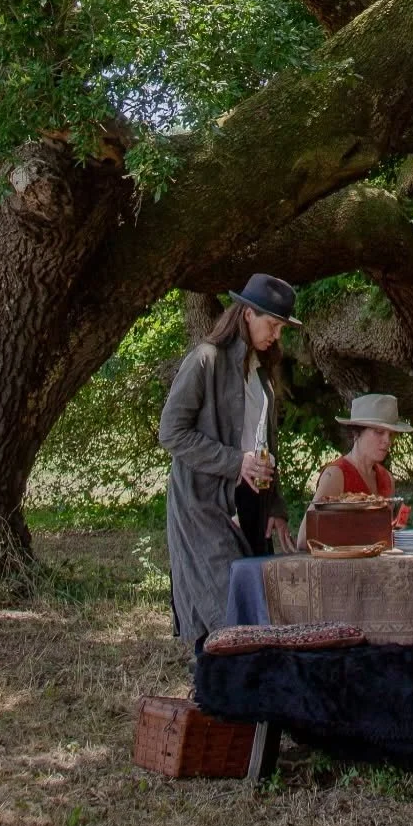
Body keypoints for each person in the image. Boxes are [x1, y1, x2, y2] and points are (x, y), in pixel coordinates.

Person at [158, 274, 299, 646]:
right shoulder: (205, 359)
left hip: (251, 504)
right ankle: (211, 678)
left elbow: (266, 445)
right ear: (248, 314)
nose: (276, 336)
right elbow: (171, 432)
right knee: (224, 610)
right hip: (203, 505)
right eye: (272, 325)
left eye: (282, 329)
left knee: (256, 605)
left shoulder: (262, 375)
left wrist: (275, 506)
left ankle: (242, 680)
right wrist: (236, 462)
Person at [296, 392, 411, 547]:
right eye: (379, 432)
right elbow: (304, 540)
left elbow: (382, 536)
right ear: (357, 432)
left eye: (391, 434)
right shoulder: (336, 475)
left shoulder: (387, 478)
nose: (387, 440)